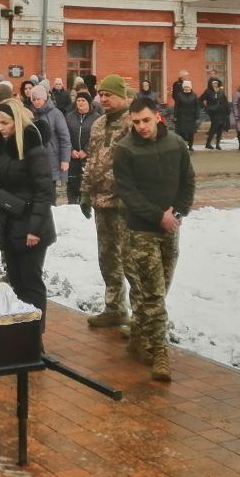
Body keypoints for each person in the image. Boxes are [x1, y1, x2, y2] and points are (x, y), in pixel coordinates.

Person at [113, 97, 194, 382]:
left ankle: (137, 337)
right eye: (136, 122)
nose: (141, 126)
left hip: (170, 229)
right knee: (154, 293)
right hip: (142, 230)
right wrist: (157, 216)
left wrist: (178, 212)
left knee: (159, 290)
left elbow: (188, 180)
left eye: (146, 120)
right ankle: (159, 350)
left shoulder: (176, 144)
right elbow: (128, 192)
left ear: (157, 117)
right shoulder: (125, 149)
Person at [0, 101, 56, 323]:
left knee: (31, 283)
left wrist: (34, 229)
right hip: (10, 223)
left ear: (17, 122)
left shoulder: (35, 150)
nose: (0, 128)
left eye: (5, 123)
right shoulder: (6, 148)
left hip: (29, 226)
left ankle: (35, 335)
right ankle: (21, 332)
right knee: (16, 282)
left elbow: (44, 192)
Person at [81, 74, 134, 330]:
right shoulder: (99, 123)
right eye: (101, 94)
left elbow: (139, 163)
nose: (103, 99)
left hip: (125, 204)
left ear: (122, 96)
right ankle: (114, 307)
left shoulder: (132, 122)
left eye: (108, 94)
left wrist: (130, 197)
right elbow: (91, 159)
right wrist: (84, 191)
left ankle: (141, 319)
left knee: (131, 260)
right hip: (101, 201)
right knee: (107, 257)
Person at [29, 84, 71, 199]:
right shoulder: (29, 114)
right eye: (33, 99)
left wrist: (65, 159)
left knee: (49, 192)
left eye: (38, 99)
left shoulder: (56, 114)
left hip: (51, 157)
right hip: (34, 158)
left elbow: (65, 137)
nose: (36, 102)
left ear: (45, 98)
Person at [64, 92, 98, 206]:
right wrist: (71, 150)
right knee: (72, 183)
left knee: (88, 183)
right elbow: (65, 135)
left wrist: (86, 151)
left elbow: (97, 137)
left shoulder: (97, 118)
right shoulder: (69, 117)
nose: (80, 103)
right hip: (73, 157)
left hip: (89, 158)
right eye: (78, 100)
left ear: (89, 102)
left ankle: (88, 207)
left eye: (83, 100)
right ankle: (72, 206)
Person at [199, 77, 230, 150]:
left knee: (220, 127)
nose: (215, 84)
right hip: (213, 112)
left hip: (222, 111)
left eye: (216, 83)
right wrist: (205, 107)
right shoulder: (208, 91)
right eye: (213, 83)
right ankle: (208, 143)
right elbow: (200, 100)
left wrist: (227, 110)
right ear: (210, 84)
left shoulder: (221, 91)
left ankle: (217, 144)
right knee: (214, 126)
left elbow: (225, 101)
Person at [170, 79, 199, 150]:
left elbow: (197, 106)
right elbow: (176, 106)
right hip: (181, 116)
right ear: (183, 87)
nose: (186, 88)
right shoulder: (179, 95)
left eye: (188, 87)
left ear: (190, 87)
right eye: (185, 87)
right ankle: (182, 145)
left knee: (191, 132)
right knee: (181, 131)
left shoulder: (194, 95)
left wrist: (197, 115)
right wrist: (175, 116)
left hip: (191, 116)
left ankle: (191, 145)